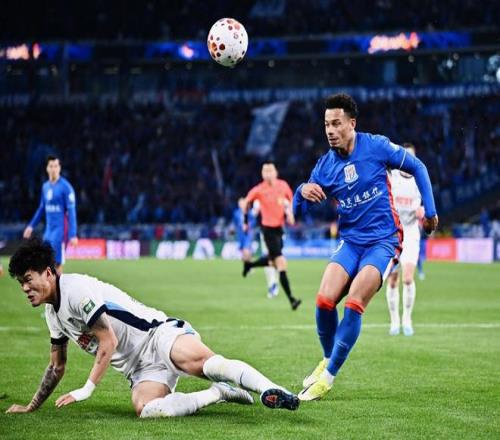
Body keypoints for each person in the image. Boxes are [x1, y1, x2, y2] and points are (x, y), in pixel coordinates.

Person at [6, 238, 299, 417]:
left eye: (28, 279)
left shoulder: (76, 290)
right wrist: (32, 406)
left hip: (158, 335)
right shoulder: (53, 314)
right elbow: (56, 366)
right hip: (140, 370)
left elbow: (108, 341)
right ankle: (218, 393)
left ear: (48, 273)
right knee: (148, 410)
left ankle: (274, 390)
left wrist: (87, 389)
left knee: (207, 365)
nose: (25, 288)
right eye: (21, 283)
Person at [293, 94, 438, 401]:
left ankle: (328, 378)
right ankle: (328, 359)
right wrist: (302, 190)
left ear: (352, 123)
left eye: (336, 123)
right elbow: (298, 209)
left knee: (354, 302)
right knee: (323, 301)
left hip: (384, 241)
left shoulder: (376, 146)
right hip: (351, 241)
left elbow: (418, 167)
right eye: (326, 124)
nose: (330, 130)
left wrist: (431, 210)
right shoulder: (325, 166)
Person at [243, 162, 301, 310]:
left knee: (272, 261)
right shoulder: (259, 189)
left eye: (270, 171)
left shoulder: (283, 185)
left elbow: (290, 201)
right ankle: (291, 299)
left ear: (276, 172)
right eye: (265, 171)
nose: (268, 174)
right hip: (267, 230)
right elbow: (246, 202)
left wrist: (290, 215)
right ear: (262, 174)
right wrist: (245, 222)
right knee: (281, 262)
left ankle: (249, 265)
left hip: (279, 230)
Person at [386, 143, 424, 337]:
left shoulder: (419, 180)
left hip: (410, 233)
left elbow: (425, 207)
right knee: (392, 280)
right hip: (393, 233)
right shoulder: (392, 177)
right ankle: (394, 321)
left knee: (408, 278)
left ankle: (407, 319)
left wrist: (423, 212)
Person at [23, 155, 78, 273]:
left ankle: (58, 285)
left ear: (60, 168)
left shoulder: (66, 188)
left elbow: (72, 212)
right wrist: (31, 226)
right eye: (51, 166)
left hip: (61, 231)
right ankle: (51, 284)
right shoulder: (45, 187)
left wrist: (73, 234)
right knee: (46, 262)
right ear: (47, 168)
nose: (54, 169)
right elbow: (41, 208)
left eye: (56, 166)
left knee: (57, 263)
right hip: (48, 231)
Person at [233, 198, 278, 298]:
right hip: (246, 234)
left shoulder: (250, 210)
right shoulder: (238, 212)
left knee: (249, 251)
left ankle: (273, 284)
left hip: (257, 233)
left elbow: (253, 219)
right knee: (246, 253)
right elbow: (241, 220)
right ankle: (272, 283)